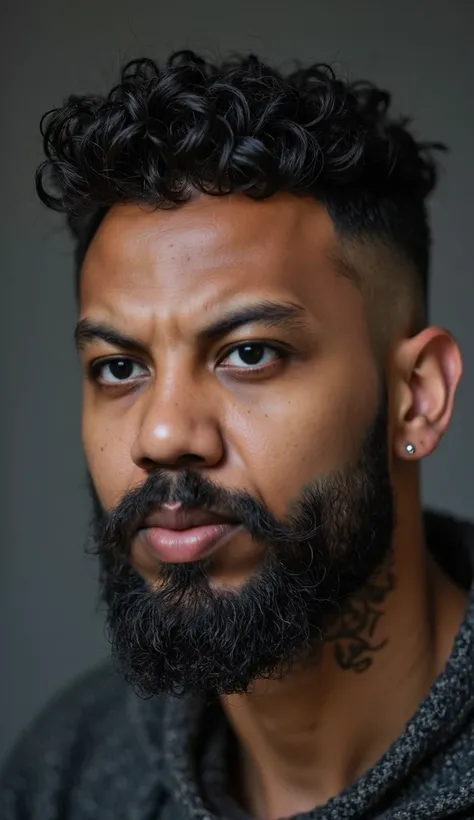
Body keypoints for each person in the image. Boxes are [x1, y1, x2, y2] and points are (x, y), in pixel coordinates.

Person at [1, 50, 473, 820]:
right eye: (119, 368)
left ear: (416, 398)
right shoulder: (70, 772)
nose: (160, 434)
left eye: (250, 353)